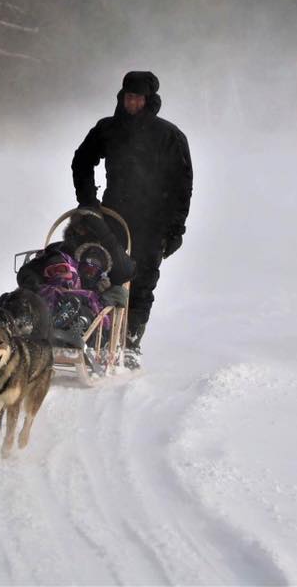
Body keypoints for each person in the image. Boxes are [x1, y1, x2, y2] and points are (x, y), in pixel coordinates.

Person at [71, 70, 193, 369]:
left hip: (153, 223)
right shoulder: (108, 129)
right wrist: (88, 201)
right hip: (113, 217)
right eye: (128, 97)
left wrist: (175, 228)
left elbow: (182, 185)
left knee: (141, 284)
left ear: (149, 100)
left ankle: (130, 344)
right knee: (97, 276)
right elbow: (82, 160)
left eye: (138, 98)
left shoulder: (169, 136)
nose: (132, 103)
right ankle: (95, 336)